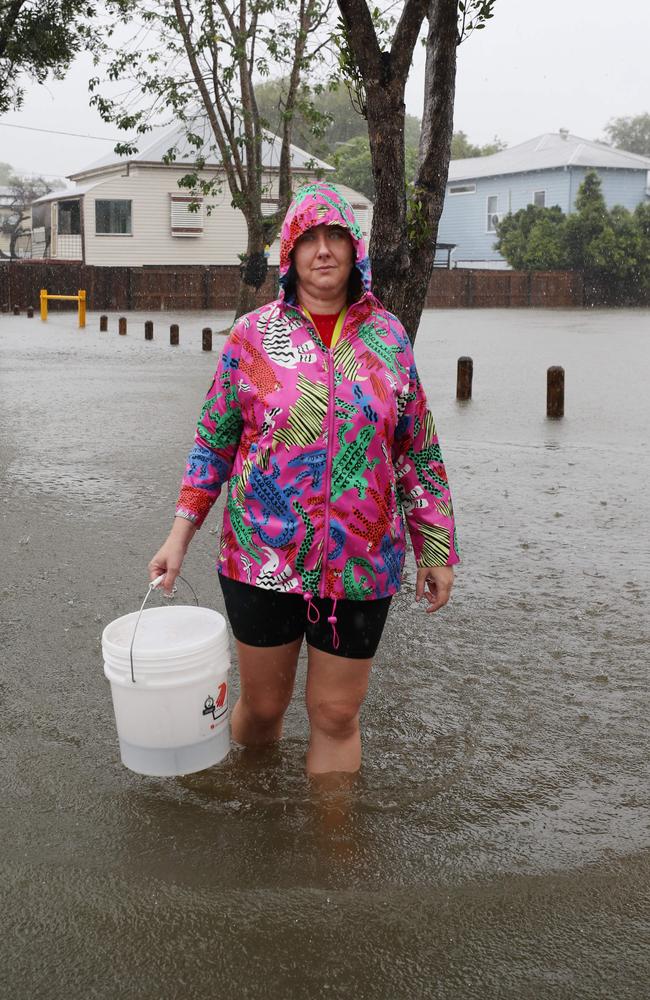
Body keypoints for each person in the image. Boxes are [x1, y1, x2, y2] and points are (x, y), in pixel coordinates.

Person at [149, 181, 459, 777]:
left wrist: (436, 547)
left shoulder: (389, 339)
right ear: (288, 254)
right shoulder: (251, 338)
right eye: (308, 239)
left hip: (362, 561)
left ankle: (333, 857)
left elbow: (417, 451)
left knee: (336, 714)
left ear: (354, 250)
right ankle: (246, 825)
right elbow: (212, 445)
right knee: (264, 708)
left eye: (335, 237)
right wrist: (178, 537)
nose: (323, 251)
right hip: (261, 556)